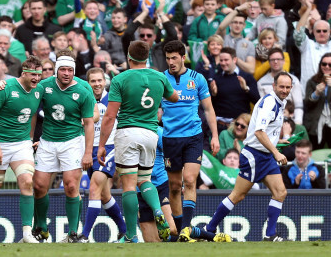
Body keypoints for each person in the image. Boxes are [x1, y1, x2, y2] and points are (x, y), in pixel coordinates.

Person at [97, 40, 178, 243]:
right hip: (151, 133)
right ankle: (158, 210)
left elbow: (109, 116)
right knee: (145, 180)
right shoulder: (159, 77)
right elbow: (175, 97)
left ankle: (131, 235)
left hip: (128, 133)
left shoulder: (120, 79)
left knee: (129, 186)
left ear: (129, 58)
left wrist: (101, 145)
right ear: (147, 57)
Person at [204, 72, 293, 242]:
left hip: (265, 156)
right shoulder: (270, 103)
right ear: (274, 86)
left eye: (288, 87)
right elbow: (259, 133)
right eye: (281, 86)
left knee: (280, 192)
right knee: (237, 195)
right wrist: (276, 152)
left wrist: (277, 140)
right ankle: (209, 228)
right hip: (254, 155)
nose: (285, 90)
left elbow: (263, 131)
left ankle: (270, 235)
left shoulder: (279, 102)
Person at [32, 49, 96, 243]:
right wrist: (29, 139)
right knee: (39, 185)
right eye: (63, 70)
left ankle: (73, 232)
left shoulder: (83, 90)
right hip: (48, 140)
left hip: (72, 141)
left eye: (70, 70)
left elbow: (90, 122)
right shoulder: (44, 86)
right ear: (56, 70)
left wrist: (88, 152)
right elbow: (33, 111)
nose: (66, 73)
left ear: (74, 71)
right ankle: (41, 228)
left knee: (70, 185)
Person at [0, 56, 43, 243]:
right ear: (23, 73)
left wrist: (31, 137)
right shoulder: (5, 88)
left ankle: (26, 234)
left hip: (21, 144)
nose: (37, 79)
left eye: (39, 75)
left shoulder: (39, 90)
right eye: (33, 74)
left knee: (27, 182)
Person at [161, 40, 220, 242]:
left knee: (189, 180)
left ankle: (186, 228)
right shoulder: (161, 79)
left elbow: (209, 109)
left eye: (174, 58)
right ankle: (181, 231)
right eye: (168, 58)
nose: (170, 62)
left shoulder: (197, 78)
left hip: (194, 136)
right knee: (175, 186)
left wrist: (215, 135)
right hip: (170, 138)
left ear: (183, 57)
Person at [80, 67, 127, 242]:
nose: (97, 84)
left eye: (100, 80)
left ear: (105, 81)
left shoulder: (113, 100)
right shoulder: (84, 100)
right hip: (88, 150)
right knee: (104, 195)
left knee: (93, 188)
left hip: (108, 148)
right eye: (93, 81)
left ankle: (84, 235)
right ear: (88, 83)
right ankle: (125, 230)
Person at [211, 47, 260, 129]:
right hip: (220, 125)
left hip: (239, 126)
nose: (223, 63)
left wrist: (246, 89)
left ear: (234, 60)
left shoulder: (246, 77)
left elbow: (257, 101)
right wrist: (213, 94)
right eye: (221, 60)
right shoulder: (216, 78)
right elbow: (209, 106)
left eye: (226, 60)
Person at [257, 48, 303, 124]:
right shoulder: (261, 82)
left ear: (284, 61)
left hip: (290, 122)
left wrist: (298, 122)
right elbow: (262, 107)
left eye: (278, 59)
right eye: (272, 60)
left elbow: (298, 105)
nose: (275, 62)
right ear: (269, 62)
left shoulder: (294, 80)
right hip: (270, 123)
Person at [303, 53, 331, 150]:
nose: (327, 66)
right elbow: (307, 104)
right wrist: (316, 93)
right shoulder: (312, 81)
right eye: (324, 64)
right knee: (316, 153)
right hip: (316, 123)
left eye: (330, 64)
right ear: (320, 65)